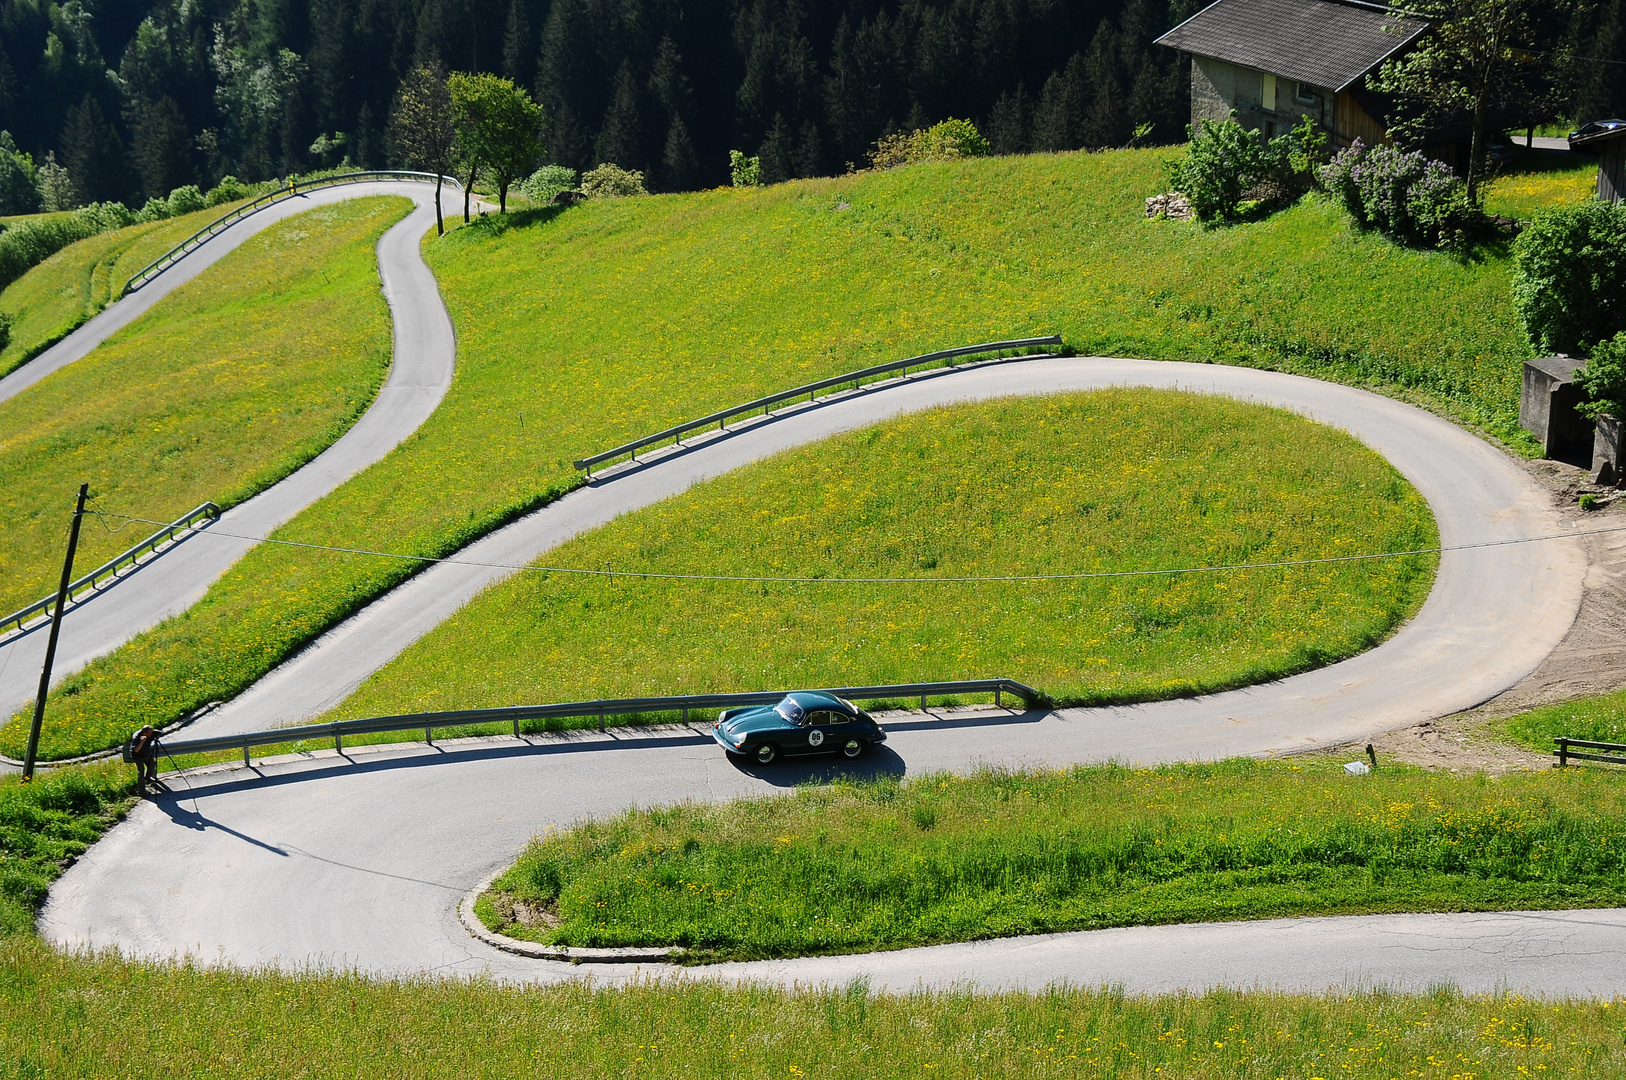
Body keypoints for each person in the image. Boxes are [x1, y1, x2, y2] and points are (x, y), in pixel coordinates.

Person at [130, 725, 165, 795]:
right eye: (150, 732)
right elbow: (136, 750)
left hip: (146, 754)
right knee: (141, 772)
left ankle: (148, 779)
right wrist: (142, 742)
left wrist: (158, 732)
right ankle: (141, 790)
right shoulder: (136, 737)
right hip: (138, 757)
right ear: (145, 733)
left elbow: (160, 733)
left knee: (152, 766)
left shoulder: (151, 734)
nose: (151, 734)